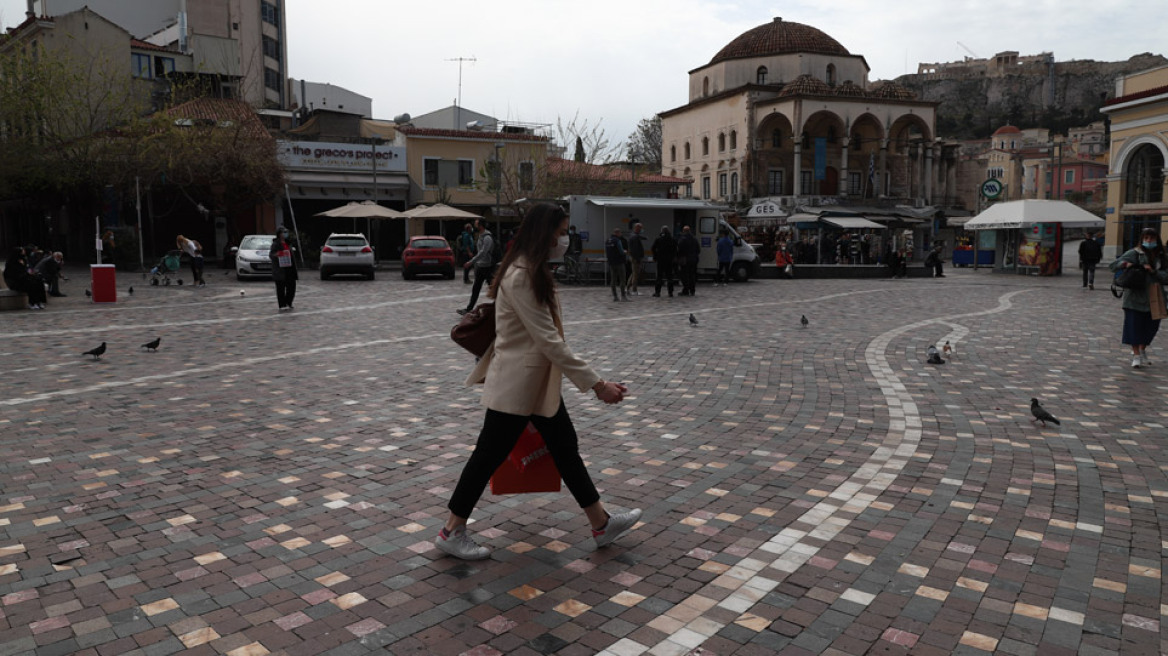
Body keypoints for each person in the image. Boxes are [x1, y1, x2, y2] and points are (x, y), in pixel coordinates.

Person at [435, 203, 641, 560]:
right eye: (560, 232)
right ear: (543, 233)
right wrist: (597, 385)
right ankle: (451, 531)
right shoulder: (520, 276)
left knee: (565, 449)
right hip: (517, 387)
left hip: (533, 386)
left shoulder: (531, 271)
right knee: (487, 457)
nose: (564, 239)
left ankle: (601, 523)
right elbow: (548, 340)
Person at [1110, 228, 1168, 368]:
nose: (1149, 241)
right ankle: (1136, 355)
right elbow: (1114, 266)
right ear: (1142, 239)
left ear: (1156, 240)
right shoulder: (1134, 253)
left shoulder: (1161, 256)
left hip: (1155, 294)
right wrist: (1125, 264)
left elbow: (1166, 276)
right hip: (1135, 295)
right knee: (1134, 326)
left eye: (1152, 239)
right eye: (1146, 238)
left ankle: (1142, 349)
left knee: (1152, 326)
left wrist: (1153, 271)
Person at [459, 219, 497, 315]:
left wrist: (471, 262)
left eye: (476, 224)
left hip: (488, 267)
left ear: (481, 226)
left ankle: (500, 306)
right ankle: (468, 309)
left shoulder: (487, 237)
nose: (474, 226)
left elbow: (483, 252)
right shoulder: (481, 236)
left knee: (493, 288)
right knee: (476, 289)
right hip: (480, 267)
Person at [269, 226, 298, 311]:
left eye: (286, 232)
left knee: (291, 287)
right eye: (283, 232)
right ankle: (282, 304)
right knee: (280, 288)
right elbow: (271, 255)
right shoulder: (275, 244)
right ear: (279, 234)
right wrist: (278, 254)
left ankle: (288, 302)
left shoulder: (288, 243)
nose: (285, 234)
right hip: (280, 269)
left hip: (289, 268)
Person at [651, 226, 676, 297]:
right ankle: (670, 292)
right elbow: (675, 249)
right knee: (670, 277)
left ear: (662, 231)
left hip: (660, 260)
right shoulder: (672, 239)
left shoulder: (659, 239)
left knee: (659, 276)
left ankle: (657, 292)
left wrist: (655, 256)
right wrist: (673, 257)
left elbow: (653, 248)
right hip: (669, 260)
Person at [605, 228, 628, 302]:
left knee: (613, 280)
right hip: (619, 262)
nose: (621, 234)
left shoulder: (607, 241)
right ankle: (623, 296)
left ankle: (615, 296)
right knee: (622, 279)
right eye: (620, 233)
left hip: (611, 262)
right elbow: (621, 251)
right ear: (617, 233)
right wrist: (625, 251)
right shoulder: (617, 240)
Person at [677, 225, 700, 296]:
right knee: (692, 275)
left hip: (685, 260)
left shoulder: (682, 239)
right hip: (694, 259)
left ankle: (686, 290)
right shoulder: (695, 239)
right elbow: (698, 250)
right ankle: (692, 290)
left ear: (684, 231)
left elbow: (679, 249)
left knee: (684, 275)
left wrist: (678, 257)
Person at [626, 223, 646, 296]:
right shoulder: (634, 236)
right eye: (640, 228)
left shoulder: (634, 235)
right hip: (635, 258)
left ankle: (627, 288)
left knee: (634, 273)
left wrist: (644, 238)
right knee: (635, 274)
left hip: (634, 257)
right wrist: (637, 258)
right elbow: (634, 249)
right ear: (637, 228)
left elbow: (640, 237)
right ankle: (634, 290)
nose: (641, 230)